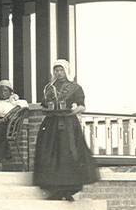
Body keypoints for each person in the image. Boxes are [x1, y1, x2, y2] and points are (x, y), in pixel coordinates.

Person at [33, 60, 99, 200]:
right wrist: (47, 108)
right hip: (51, 124)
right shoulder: (49, 88)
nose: (58, 73)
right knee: (50, 153)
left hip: (68, 124)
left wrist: (72, 111)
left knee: (68, 153)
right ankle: (55, 190)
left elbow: (82, 106)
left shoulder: (75, 87)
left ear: (66, 71)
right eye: (56, 70)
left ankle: (68, 190)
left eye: (61, 70)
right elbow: (44, 105)